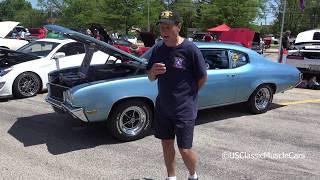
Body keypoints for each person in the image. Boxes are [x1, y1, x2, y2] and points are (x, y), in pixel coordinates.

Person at [146, 10, 207, 180]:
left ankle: (193, 175)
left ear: (178, 27)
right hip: (163, 107)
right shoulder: (158, 48)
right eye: (162, 27)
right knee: (166, 143)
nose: (164, 31)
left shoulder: (190, 49)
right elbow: (150, 77)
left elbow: (202, 77)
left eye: (168, 27)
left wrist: (188, 96)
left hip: (184, 109)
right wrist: (152, 72)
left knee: (184, 149)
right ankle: (171, 177)